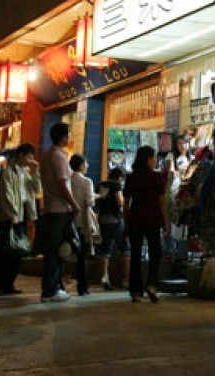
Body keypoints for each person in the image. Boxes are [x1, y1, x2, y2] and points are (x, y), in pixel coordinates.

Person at [37, 122, 80, 303]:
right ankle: (50, 290)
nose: (70, 138)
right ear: (63, 137)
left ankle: (53, 286)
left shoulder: (46, 156)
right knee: (57, 250)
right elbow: (63, 183)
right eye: (69, 134)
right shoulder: (59, 157)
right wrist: (74, 204)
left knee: (53, 250)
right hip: (60, 209)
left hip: (50, 208)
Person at [0, 143, 40, 297]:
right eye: (29, 157)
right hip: (10, 216)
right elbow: (7, 194)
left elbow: (36, 190)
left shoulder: (26, 172)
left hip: (23, 214)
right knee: (4, 252)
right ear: (20, 155)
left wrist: (36, 172)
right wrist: (12, 214)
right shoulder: (8, 171)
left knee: (17, 251)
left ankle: (9, 284)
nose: (30, 160)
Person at [124, 145, 167, 302]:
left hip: (135, 218)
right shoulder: (157, 177)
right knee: (155, 252)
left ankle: (136, 290)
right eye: (153, 157)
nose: (155, 160)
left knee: (135, 253)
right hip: (153, 218)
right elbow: (162, 202)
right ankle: (152, 285)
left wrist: (126, 220)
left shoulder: (131, 177)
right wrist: (166, 222)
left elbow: (126, 202)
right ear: (148, 159)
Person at [96, 168, 130, 290]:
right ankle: (126, 280)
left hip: (103, 220)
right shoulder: (116, 185)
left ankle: (104, 278)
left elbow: (98, 202)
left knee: (105, 249)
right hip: (115, 221)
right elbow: (120, 202)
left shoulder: (101, 184)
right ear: (120, 177)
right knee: (125, 250)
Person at [69, 154, 98, 296]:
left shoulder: (68, 180)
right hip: (83, 221)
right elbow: (89, 202)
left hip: (70, 221)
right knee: (82, 256)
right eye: (86, 164)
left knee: (68, 252)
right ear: (81, 165)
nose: (87, 166)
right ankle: (82, 286)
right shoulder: (87, 182)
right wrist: (96, 197)